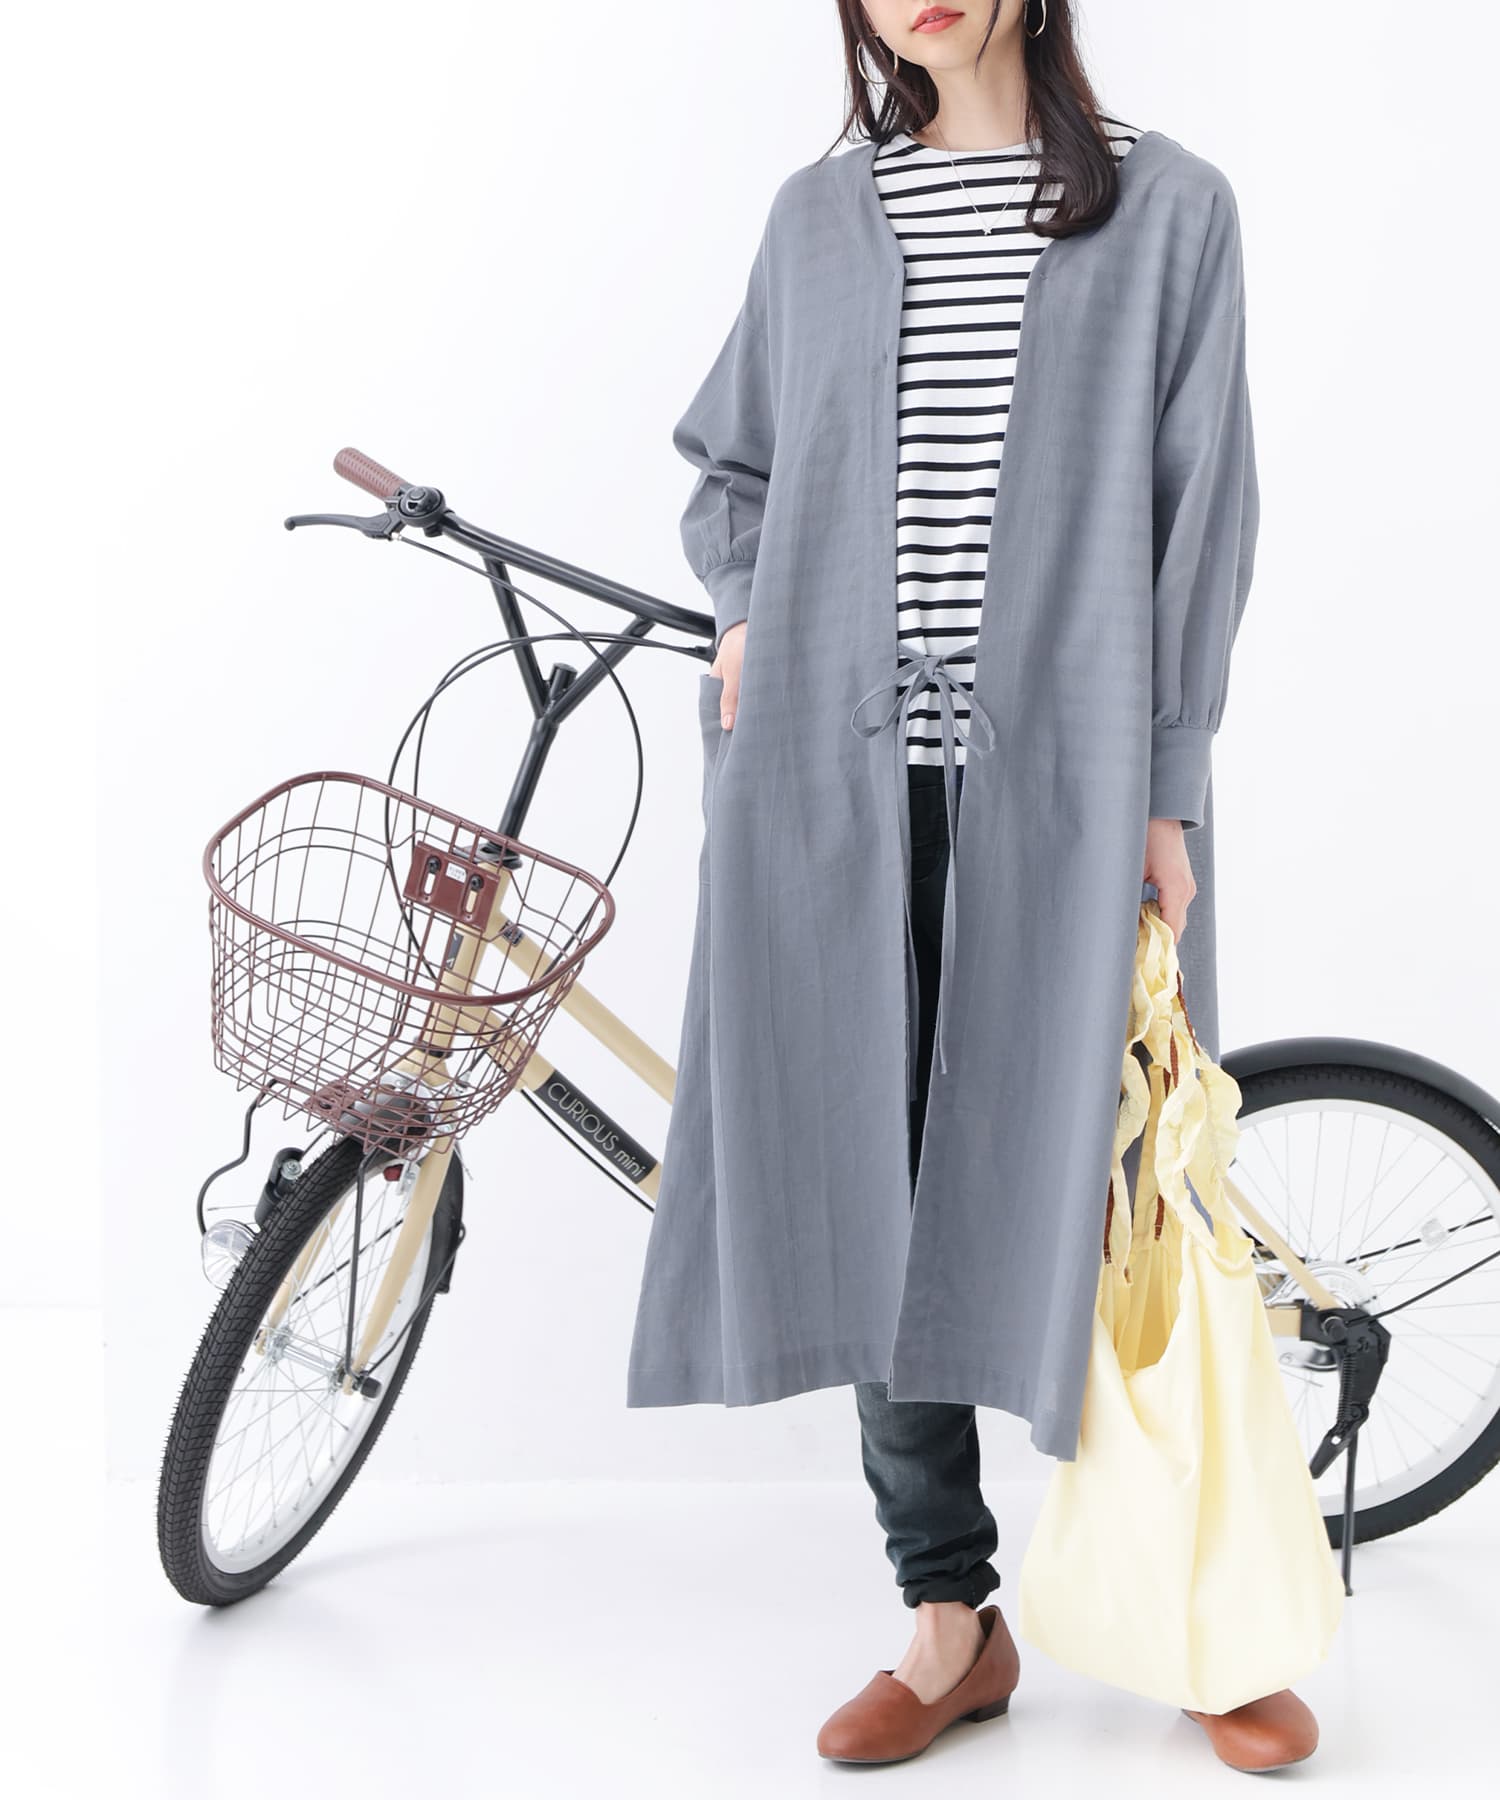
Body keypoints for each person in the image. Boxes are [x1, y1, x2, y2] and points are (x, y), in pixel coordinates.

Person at [629, 0, 1315, 1773]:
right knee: (875, 1187)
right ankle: (951, 1619)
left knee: (1129, 1188)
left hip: (1073, 793)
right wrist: (750, 609)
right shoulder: (817, 217)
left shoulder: (1170, 209)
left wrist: (1168, 789)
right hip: (837, 785)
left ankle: (1201, 1620)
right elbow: (733, 469)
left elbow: (1204, 516)